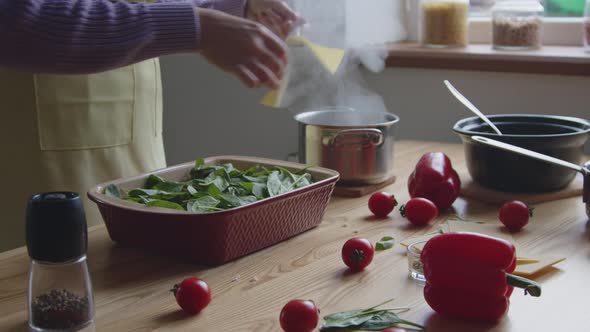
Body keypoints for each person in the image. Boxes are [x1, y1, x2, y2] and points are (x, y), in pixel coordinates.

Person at [0, 0, 301, 251]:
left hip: (137, 140)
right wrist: (197, 28)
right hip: (36, 155)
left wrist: (232, 6)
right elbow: (15, 18)